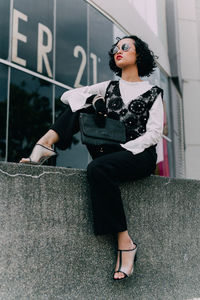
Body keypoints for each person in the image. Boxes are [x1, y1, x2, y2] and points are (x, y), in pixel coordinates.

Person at [20, 35, 164, 281]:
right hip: (109, 148)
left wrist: (128, 146)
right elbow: (68, 96)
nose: (118, 51)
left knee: (98, 169)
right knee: (82, 105)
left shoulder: (152, 92)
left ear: (139, 54)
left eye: (125, 47)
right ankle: (45, 144)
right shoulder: (108, 87)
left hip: (138, 155)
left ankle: (125, 242)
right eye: (115, 49)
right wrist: (95, 99)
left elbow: (155, 134)